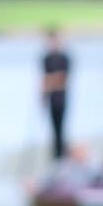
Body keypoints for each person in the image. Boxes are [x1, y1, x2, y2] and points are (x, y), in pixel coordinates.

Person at [40, 27, 71, 160]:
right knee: (53, 130)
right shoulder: (46, 58)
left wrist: (50, 83)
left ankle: (62, 157)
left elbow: (63, 79)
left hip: (61, 99)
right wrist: (42, 96)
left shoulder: (65, 58)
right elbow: (44, 79)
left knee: (61, 129)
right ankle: (56, 157)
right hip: (51, 99)